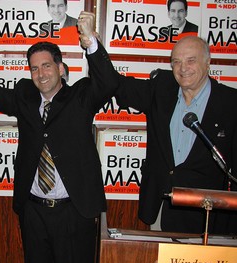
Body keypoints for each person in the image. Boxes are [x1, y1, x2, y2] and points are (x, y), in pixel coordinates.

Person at [0, 11, 117, 263]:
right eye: (34, 68)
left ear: (61, 68)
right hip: (33, 212)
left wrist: (90, 40)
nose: (41, 74)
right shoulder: (25, 96)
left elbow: (109, 83)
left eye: (47, 66)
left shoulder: (81, 96)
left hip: (74, 212)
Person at [82, 35, 237, 234]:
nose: (183, 68)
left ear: (208, 63)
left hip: (208, 218)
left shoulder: (230, 103)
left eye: (191, 60)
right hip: (161, 210)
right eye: (176, 62)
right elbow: (116, 84)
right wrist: (92, 45)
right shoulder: (161, 89)